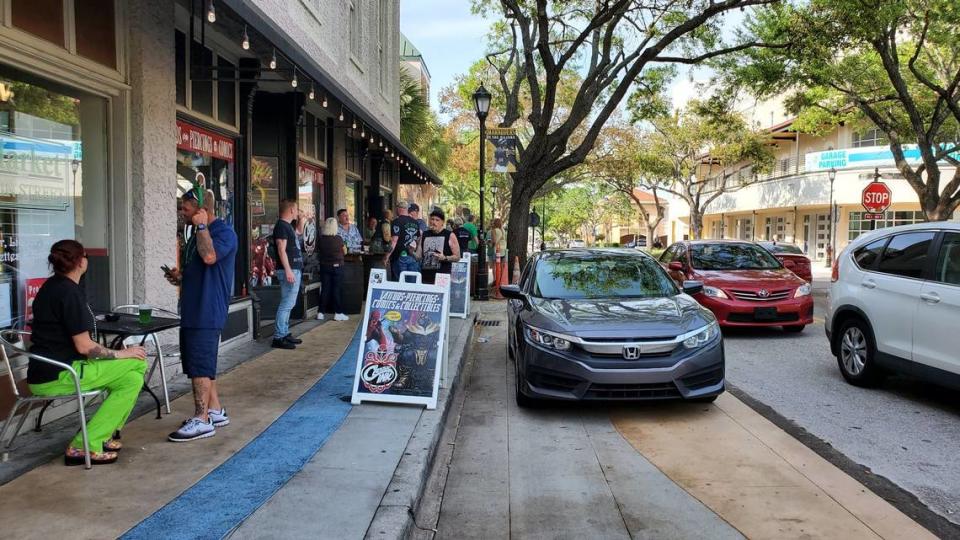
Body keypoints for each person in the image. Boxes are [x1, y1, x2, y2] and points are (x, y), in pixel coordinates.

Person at [27, 240, 147, 465]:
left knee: (131, 379)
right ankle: (83, 445)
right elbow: (85, 347)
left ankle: (102, 434)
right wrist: (121, 354)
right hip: (61, 373)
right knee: (138, 363)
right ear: (81, 261)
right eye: (87, 257)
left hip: (46, 370)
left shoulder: (52, 286)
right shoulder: (69, 293)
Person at [165, 189, 238, 443]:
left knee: (200, 364)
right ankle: (215, 410)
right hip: (194, 307)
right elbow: (201, 268)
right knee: (203, 364)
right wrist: (180, 277)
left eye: (185, 208)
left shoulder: (223, 232)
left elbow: (209, 257)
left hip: (207, 309)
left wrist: (202, 226)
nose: (181, 212)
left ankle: (202, 419)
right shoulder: (196, 232)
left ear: (200, 210)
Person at [270, 199, 304, 350]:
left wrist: (302, 219)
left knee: (288, 303)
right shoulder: (281, 226)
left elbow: (299, 232)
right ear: (290, 210)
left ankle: (284, 333)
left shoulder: (288, 227)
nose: (297, 212)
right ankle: (278, 336)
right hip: (289, 269)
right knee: (287, 304)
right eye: (296, 210)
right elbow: (280, 249)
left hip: (293, 268)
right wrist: (288, 270)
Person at [316, 217, 348, 321]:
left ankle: (320, 313)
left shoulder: (321, 239)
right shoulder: (338, 239)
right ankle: (338, 313)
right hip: (337, 267)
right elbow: (345, 252)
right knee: (336, 290)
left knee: (325, 289)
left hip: (325, 266)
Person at [420, 208, 461, 285]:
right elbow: (419, 256)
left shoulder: (449, 235)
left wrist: (445, 258)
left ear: (442, 222)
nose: (433, 222)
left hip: (442, 276)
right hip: (426, 277)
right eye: (432, 219)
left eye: (437, 220)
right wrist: (411, 251)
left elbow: (457, 257)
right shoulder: (424, 234)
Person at [386, 203, 421, 280]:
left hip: (399, 257)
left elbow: (394, 241)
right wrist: (416, 253)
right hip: (412, 257)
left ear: (398, 209)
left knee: (398, 284)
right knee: (411, 285)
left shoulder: (396, 221)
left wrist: (387, 256)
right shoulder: (415, 222)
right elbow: (418, 239)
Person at [491, 217, 507, 298]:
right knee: (501, 266)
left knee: (495, 265)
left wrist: (491, 244)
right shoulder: (503, 230)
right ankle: (501, 281)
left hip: (497, 250)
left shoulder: (494, 230)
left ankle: (496, 281)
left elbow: (493, 241)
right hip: (503, 249)